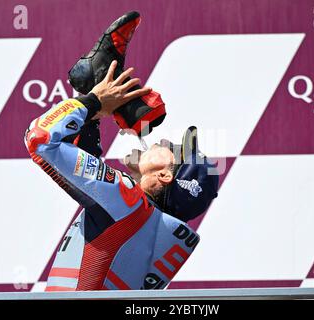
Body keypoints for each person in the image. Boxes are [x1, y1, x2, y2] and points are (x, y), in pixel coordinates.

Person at [24, 60, 219, 291]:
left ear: (166, 176)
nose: (164, 141)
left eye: (175, 150)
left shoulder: (129, 203)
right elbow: (85, 161)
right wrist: (94, 110)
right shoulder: (142, 221)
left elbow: (41, 140)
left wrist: (93, 102)